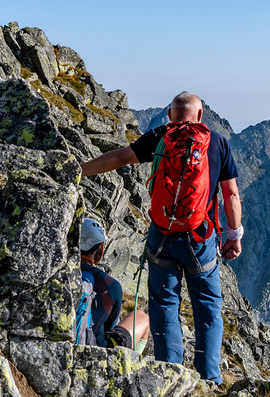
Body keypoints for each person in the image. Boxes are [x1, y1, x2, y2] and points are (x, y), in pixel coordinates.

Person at [81, 92, 243, 384]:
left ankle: (170, 374)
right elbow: (231, 194)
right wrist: (234, 236)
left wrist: (78, 171)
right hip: (199, 238)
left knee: (164, 303)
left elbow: (119, 158)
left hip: (162, 236)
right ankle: (209, 378)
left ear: (170, 115)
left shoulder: (160, 137)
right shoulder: (217, 143)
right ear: (200, 114)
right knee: (207, 305)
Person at [77, 217, 151, 352]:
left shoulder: (61, 274)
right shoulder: (110, 285)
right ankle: (132, 366)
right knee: (142, 317)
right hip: (95, 349)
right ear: (99, 248)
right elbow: (110, 327)